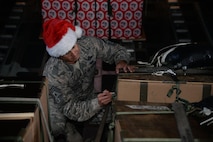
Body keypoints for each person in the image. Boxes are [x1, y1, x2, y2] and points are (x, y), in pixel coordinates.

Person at [42, 18, 136, 142]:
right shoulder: (53, 73)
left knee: (121, 113)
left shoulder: (88, 44)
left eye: (73, 47)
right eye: (67, 52)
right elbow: (71, 109)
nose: (74, 53)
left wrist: (121, 61)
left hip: (87, 97)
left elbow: (117, 50)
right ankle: (68, 130)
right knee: (56, 129)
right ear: (58, 54)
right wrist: (98, 103)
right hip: (64, 107)